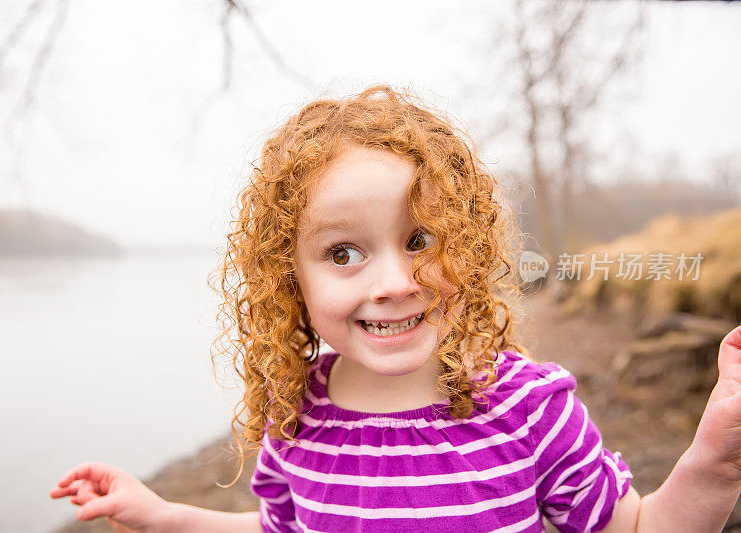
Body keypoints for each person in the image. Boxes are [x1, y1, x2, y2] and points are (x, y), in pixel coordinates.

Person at [50, 85, 741, 532]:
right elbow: (276, 527)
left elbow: (640, 528)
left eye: (420, 239)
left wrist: (716, 459)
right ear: (289, 279)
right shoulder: (297, 410)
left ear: (467, 243)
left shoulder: (528, 405)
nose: (394, 281)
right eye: (344, 253)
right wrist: (163, 512)